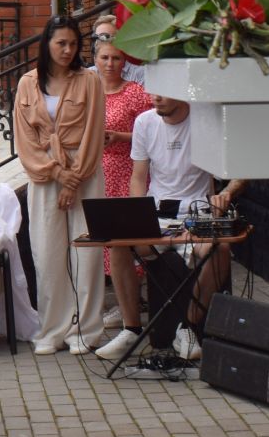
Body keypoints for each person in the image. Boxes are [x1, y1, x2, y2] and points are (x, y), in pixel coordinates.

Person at [95, 96, 246, 362]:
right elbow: (139, 177)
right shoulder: (145, 122)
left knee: (220, 250)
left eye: (164, 92)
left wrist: (227, 194)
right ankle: (131, 328)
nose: (157, 98)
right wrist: (136, 215)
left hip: (196, 214)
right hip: (157, 216)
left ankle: (187, 328)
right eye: (154, 91)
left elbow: (242, 168)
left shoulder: (205, 121)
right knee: (117, 244)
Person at [13, 16, 107, 356]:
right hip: (43, 177)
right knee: (46, 253)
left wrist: (74, 178)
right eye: (60, 44)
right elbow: (25, 140)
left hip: (85, 172)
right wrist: (55, 173)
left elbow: (95, 132)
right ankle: (52, 328)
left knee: (87, 252)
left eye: (73, 44)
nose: (68, 50)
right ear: (46, 44)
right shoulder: (27, 83)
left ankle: (87, 329)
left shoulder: (89, 81)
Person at [95, 40, 151, 343]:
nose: (110, 63)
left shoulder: (134, 93)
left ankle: (134, 302)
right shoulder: (89, 91)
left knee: (129, 238)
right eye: (104, 57)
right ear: (96, 59)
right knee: (106, 240)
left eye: (116, 58)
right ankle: (120, 302)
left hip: (128, 171)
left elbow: (151, 130)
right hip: (98, 172)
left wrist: (119, 135)